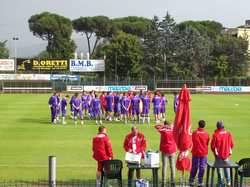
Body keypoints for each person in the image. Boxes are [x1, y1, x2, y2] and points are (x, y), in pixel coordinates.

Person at [211, 121, 234, 187]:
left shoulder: (215, 134)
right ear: (223, 126)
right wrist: (227, 152)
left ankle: (220, 183)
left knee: (219, 169)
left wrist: (215, 153)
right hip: (226, 154)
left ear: (217, 127)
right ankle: (228, 182)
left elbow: (213, 146)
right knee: (226, 168)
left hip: (218, 155)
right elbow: (232, 145)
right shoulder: (228, 133)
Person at [155, 121, 177, 187]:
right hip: (172, 150)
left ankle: (163, 182)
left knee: (164, 166)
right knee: (172, 166)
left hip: (165, 150)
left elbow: (156, 126)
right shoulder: (173, 130)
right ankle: (173, 182)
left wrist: (164, 126)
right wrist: (170, 126)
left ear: (165, 125)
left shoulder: (163, 130)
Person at [189, 120, 210, 187]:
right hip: (203, 153)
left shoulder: (194, 133)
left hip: (196, 152)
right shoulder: (206, 134)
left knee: (194, 167)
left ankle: (191, 181)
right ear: (204, 125)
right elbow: (207, 142)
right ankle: (200, 182)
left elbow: (192, 140)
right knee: (202, 167)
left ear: (198, 125)